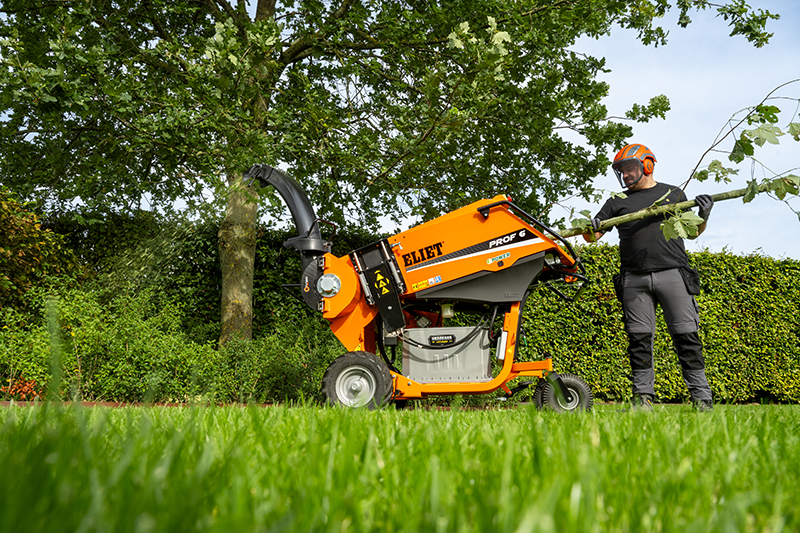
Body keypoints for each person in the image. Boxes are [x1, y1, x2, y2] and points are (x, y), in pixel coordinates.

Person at [583, 143, 715, 411]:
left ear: (647, 165)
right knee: (639, 341)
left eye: (629, 168)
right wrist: (591, 226)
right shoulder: (616, 202)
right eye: (621, 171)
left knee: (687, 336)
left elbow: (692, 233)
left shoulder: (673, 194)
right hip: (634, 279)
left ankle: (702, 399)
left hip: (673, 273)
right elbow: (591, 237)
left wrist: (704, 214)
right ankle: (643, 401)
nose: (625, 175)